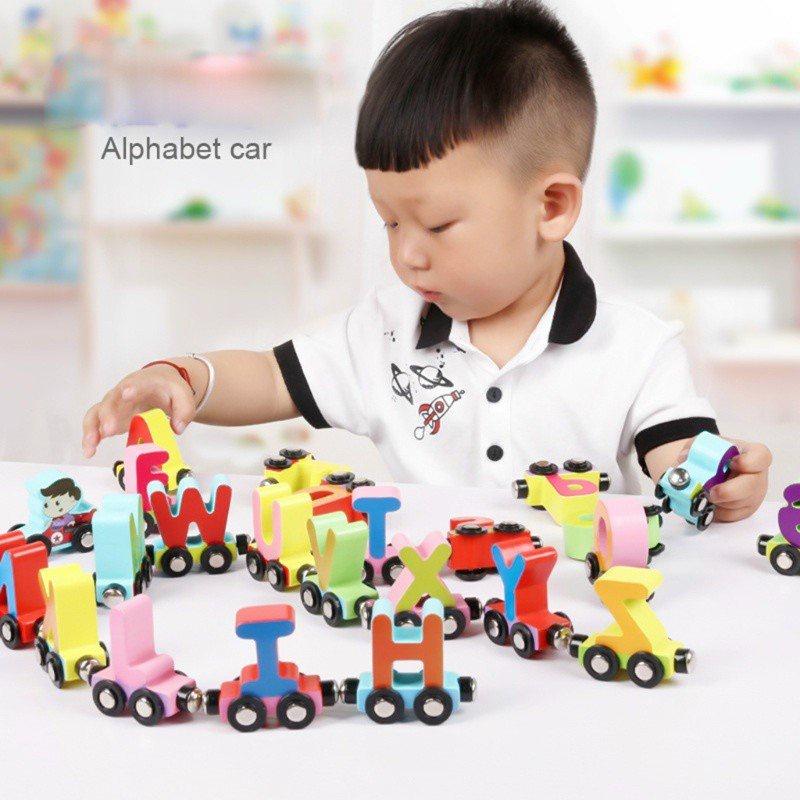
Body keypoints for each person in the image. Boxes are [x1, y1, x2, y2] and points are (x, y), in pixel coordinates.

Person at [82, 0, 770, 520]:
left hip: (576, 618)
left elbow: (677, 454)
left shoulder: (637, 349)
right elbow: (269, 376)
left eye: (437, 225)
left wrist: (716, 478)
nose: (406, 254)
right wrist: (182, 377)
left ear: (552, 206)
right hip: (425, 609)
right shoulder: (387, 330)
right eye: (389, 222)